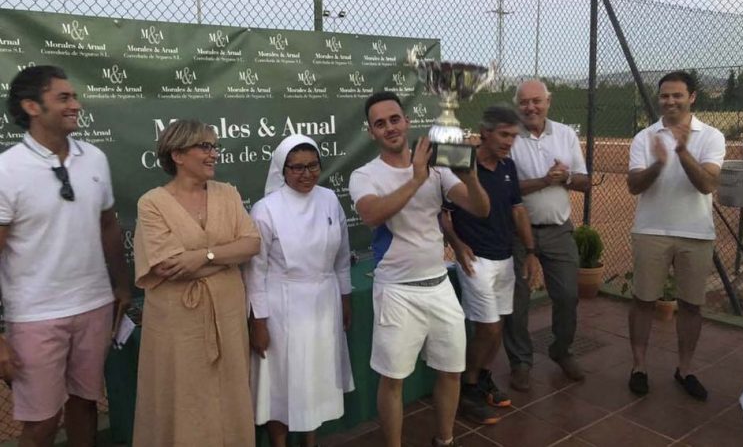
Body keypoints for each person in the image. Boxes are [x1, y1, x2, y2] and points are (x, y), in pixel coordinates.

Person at [349, 91, 490, 447]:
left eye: (394, 119)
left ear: (407, 122)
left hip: (440, 284)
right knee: (392, 380)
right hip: (397, 290)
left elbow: (480, 208)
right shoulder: (364, 175)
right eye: (380, 123)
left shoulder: (439, 168)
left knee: (451, 371)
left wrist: (469, 176)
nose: (390, 128)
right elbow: (371, 215)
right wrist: (415, 178)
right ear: (371, 132)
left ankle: (445, 439)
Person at [0, 65, 130, 447]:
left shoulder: (95, 158)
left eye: (74, 96)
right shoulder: (7, 169)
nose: (76, 104)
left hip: (94, 306)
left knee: (86, 405)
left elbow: (108, 225)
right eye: (64, 97)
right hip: (35, 316)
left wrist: (121, 285)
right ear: (32, 106)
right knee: (41, 422)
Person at [132, 119, 260, 447]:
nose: (213, 154)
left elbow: (252, 244)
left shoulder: (227, 193)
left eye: (214, 146)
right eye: (205, 146)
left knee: (230, 392)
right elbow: (167, 265)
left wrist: (203, 257)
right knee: (183, 398)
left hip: (228, 318)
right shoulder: (152, 203)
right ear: (177, 154)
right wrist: (225, 258)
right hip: (177, 325)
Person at [244, 134, 354, 447]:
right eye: (297, 168)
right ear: (282, 169)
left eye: (312, 166)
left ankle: (310, 441)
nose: (306, 174)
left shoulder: (330, 199)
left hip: (325, 302)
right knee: (282, 383)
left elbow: (342, 257)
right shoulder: (265, 209)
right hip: (283, 308)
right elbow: (255, 273)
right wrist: (259, 321)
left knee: (316, 379)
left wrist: (345, 298)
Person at [626, 71, 725, 401]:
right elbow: (634, 185)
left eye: (677, 95)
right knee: (643, 302)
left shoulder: (711, 137)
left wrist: (682, 151)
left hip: (696, 234)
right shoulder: (645, 137)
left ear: (692, 97)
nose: (670, 101)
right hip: (650, 231)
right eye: (665, 96)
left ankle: (685, 369)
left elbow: (707, 184)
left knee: (692, 306)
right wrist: (658, 163)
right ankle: (639, 366)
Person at [440, 105, 539, 424]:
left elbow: (518, 210)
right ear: (484, 132)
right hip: (475, 260)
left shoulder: (508, 166)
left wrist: (530, 250)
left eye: (514, 136)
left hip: (505, 258)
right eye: (504, 134)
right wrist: (456, 243)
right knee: (489, 327)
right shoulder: (457, 161)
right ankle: (467, 388)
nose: (510, 141)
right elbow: (440, 211)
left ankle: (481, 377)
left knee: (497, 329)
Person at [503, 79, 590, 391]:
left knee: (567, 295)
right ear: (517, 106)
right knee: (518, 300)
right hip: (516, 233)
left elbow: (584, 181)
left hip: (558, 230)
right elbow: (505, 188)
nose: (531, 107)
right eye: (524, 102)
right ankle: (521, 362)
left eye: (536, 101)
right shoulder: (509, 137)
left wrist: (564, 176)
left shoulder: (565, 134)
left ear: (548, 102)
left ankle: (561, 350)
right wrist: (543, 180)